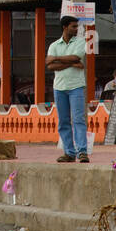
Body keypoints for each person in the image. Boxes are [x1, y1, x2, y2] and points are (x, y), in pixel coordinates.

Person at [46, 15, 89, 163]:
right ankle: (69, 153)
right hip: (59, 87)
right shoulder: (54, 45)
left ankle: (82, 151)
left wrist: (57, 59)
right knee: (63, 121)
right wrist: (70, 63)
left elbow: (76, 57)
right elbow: (49, 65)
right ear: (65, 27)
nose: (77, 29)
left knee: (78, 119)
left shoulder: (80, 41)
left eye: (77, 27)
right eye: (74, 26)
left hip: (76, 86)